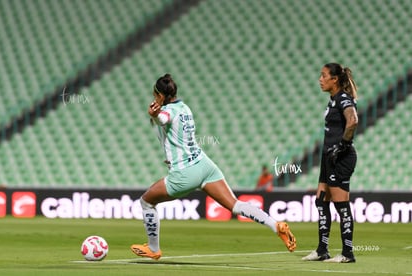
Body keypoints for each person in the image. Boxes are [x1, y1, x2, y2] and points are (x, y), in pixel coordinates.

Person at [131, 74, 296, 260]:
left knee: (147, 201)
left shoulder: (168, 111)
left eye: (155, 95)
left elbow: (163, 118)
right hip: (204, 165)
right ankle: (276, 226)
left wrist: (154, 114)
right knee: (235, 205)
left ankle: (153, 248)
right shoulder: (185, 108)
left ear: (160, 96)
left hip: (185, 172)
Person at [302, 63, 358, 263]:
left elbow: (353, 120)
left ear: (334, 79)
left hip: (341, 158)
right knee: (321, 201)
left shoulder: (343, 98)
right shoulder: (333, 100)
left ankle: (347, 253)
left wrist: (343, 145)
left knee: (341, 205)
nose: (320, 79)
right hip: (329, 157)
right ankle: (321, 250)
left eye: (323, 75)